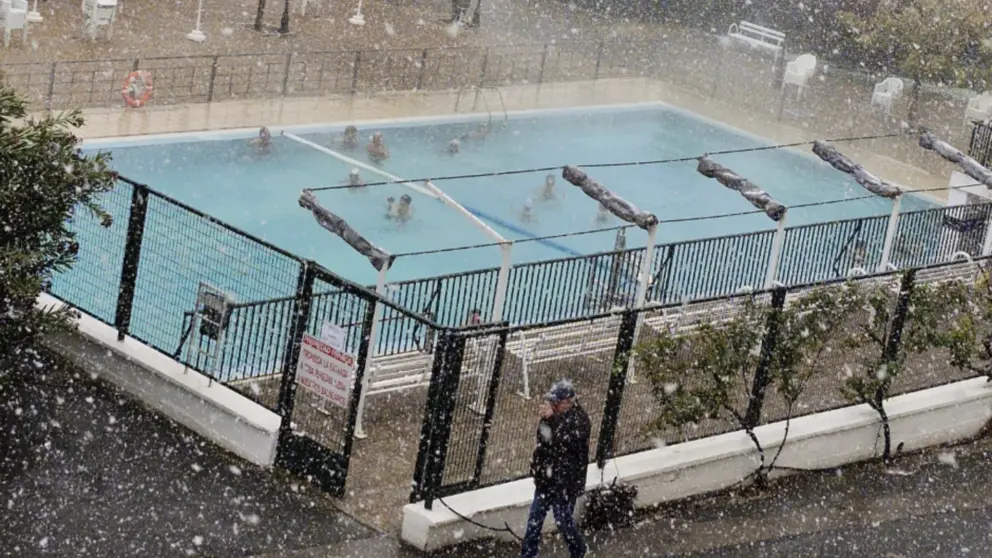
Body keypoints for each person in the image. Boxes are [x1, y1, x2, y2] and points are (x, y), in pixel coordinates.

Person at [522, 379, 590, 558]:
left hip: (565, 483)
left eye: (556, 402)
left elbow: (566, 443)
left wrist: (553, 419)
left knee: (563, 521)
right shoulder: (551, 418)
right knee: (534, 522)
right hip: (546, 480)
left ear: (568, 402)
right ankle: (528, 555)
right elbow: (544, 441)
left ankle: (579, 549)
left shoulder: (580, 420)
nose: (551, 405)